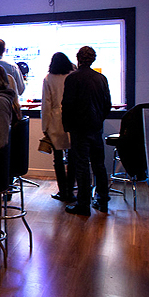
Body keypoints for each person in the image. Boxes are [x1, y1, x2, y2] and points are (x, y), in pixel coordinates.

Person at [61, 46, 112, 216]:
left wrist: (67, 126)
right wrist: (99, 119)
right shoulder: (101, 78)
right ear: (93, 59)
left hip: (79, 128)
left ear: (78, 59)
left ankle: (83, 204)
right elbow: (107, 104)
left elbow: (67, 104)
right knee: (99, 165)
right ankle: (103, 200)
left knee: (82, 166)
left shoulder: (72, 78)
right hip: (96, 127)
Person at [41, 52, 76, 202]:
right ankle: (71, 189)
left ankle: (63, 190)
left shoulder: (49, 78)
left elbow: (46, 104)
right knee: (73, 158)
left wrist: (45, 127)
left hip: (55, 121)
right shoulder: (73, 75)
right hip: (73, 119)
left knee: (58, 159)